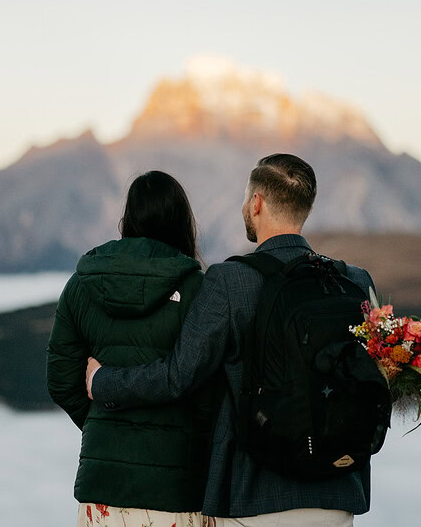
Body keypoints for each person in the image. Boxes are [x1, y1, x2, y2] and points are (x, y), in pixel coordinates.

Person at [86, 154, 379, 527]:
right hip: (338, 493)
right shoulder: (355, 280)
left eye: (245, 198)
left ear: (256, 203)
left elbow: (178, 376)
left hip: (253, 496)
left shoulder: (229, 281)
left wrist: (104, 381)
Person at [46, 170, 221, 527]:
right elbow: (210, 391)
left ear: (128, 219)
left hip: (102, 488)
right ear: (181, 222)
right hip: (174, 488)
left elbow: (62, 381)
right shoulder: (195, 289)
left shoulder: (81, 285)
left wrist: (105, 424)